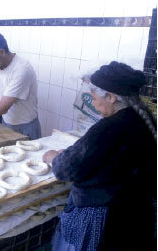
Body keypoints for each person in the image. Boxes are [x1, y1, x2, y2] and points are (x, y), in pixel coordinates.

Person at [43, 61, 157, 250]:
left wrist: (53, 157)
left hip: (106, 221)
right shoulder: (143, 118)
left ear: (111, 97)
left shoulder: (108, 128)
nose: (93, 103)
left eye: (94, 97)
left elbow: (66, 169)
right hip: (138, 214)